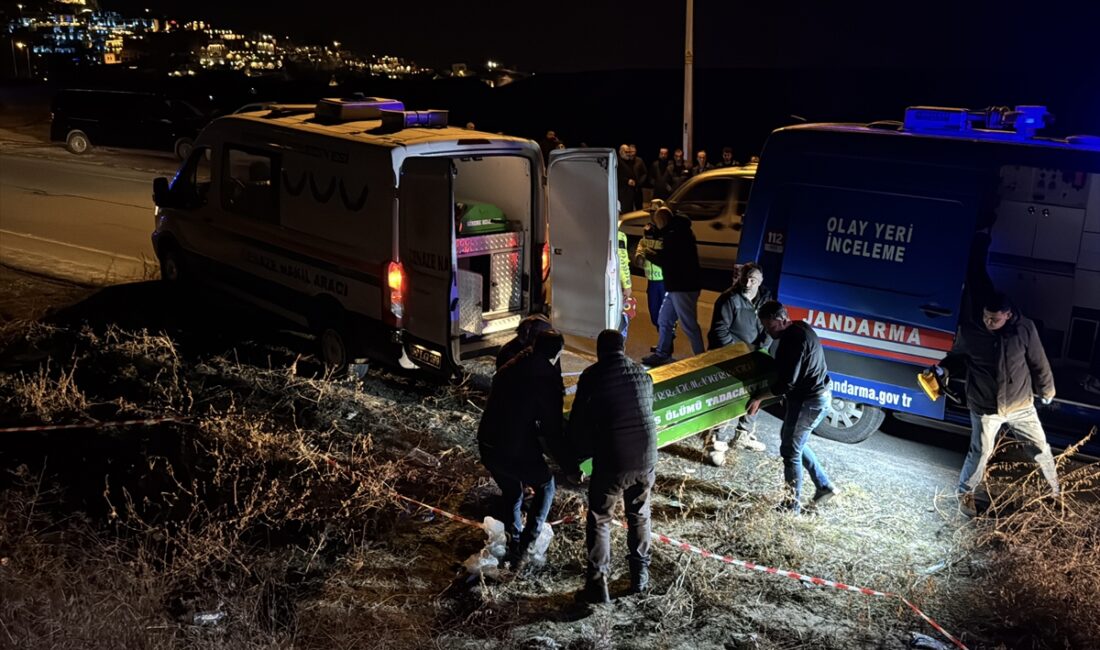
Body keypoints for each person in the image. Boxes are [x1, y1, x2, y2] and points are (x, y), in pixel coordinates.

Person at [933, 292, 1060, 516]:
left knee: (1040, 449)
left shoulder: (1024, 329)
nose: (988, 322)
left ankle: (1054, 496)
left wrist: (1047, 390)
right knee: (980, 452)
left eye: (995, 319)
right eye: (986, 316)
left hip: (1020, 405)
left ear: (1008, 315)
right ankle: (965, 496)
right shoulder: (971, 331)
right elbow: (957, 357)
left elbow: (1039, 362)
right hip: (985, 406)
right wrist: (943, 369)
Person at [568, 329, 657, 603]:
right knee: (639, 515)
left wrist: (574, 459)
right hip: (646, 457)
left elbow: (578, 422)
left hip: (614, 459)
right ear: (623, 347)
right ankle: (640, 576)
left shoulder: (592, 376)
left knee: (600, 518)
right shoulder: (643, 374)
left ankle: (597, 585)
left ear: (599, 351)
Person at [477, 330, 567, 569]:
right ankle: (526, 547)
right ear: (557, 353)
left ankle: (513, 539)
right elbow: (552, 430)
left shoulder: (510, 366)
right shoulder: (546, 380)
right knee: (546, 485)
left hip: (488, 444)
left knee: (513, 492)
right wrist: (569, 465)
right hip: (513, 447)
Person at [746, 301, 840, 514]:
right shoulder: (800, 327)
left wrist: (759, 397)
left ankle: (791, 507)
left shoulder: (793, 340)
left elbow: (786, 383)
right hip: (812, 396)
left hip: (811, 400)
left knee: (790, 451)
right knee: (792, 441)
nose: (767, 331)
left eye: (769, 326)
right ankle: (824, 485)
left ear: (780, 320)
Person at [702, 263, 771, 464]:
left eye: (753, 280)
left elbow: (768, 326)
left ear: (761, 282)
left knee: (755, 395)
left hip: (754, 355)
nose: (748, 283)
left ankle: (743, 435)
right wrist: (740, 352)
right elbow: (719, 331)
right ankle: (715, 442)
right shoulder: (728, 300)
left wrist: (760, 348)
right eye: (746, 278)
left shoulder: (765, 299)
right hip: (730, 357)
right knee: (726, 397)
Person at [640, 206, 704, 366]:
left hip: (683, 286)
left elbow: (667, 261)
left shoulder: (674, 235)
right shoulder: (677, 231)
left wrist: (648, 253)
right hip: (677, 285)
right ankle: (662, 353)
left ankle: (702, 359)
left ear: (661, 220)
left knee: (689, 325)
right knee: (665, 319)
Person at [633, 203, 665, 333]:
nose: (652, 215)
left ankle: (666, 345)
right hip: (651, 281)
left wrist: (646, 252)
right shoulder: (648, 230)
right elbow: (642, 245)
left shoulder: (666, 232)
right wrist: (639, 255)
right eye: (651, 213)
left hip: (664, 281)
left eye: (655, 212)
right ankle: (662, 343)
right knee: (654, 315)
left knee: (665, 317)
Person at [617, 229, 634, 339]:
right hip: (615, 283)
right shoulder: (618, 235)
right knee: (620, 315)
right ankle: (619, 345)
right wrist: (627, 285)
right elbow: (622, 261)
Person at [627, 144, 648, 210]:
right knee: (628, 207)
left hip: (638, 189)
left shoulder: (639, 160)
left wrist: (639, 183)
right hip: (628, 189)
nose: (632, 154)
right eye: (630, 152)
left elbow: (644, 173)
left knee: (639, 207)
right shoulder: (625, 161)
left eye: (634, 152)